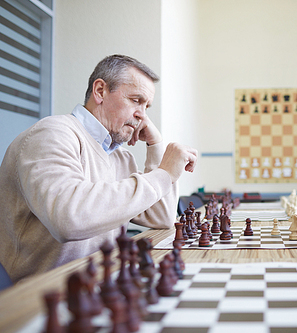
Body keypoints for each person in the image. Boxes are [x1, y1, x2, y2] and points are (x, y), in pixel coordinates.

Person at [0, 55, 198, 283]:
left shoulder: (119, 155)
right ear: (100, 91)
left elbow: (161, 218)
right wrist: (164, 174)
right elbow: (69, 219)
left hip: (100, 286)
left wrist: (155, 146)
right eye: (136, 100)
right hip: (40, 298)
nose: (142, 115)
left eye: (147, 106)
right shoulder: (51, 134)